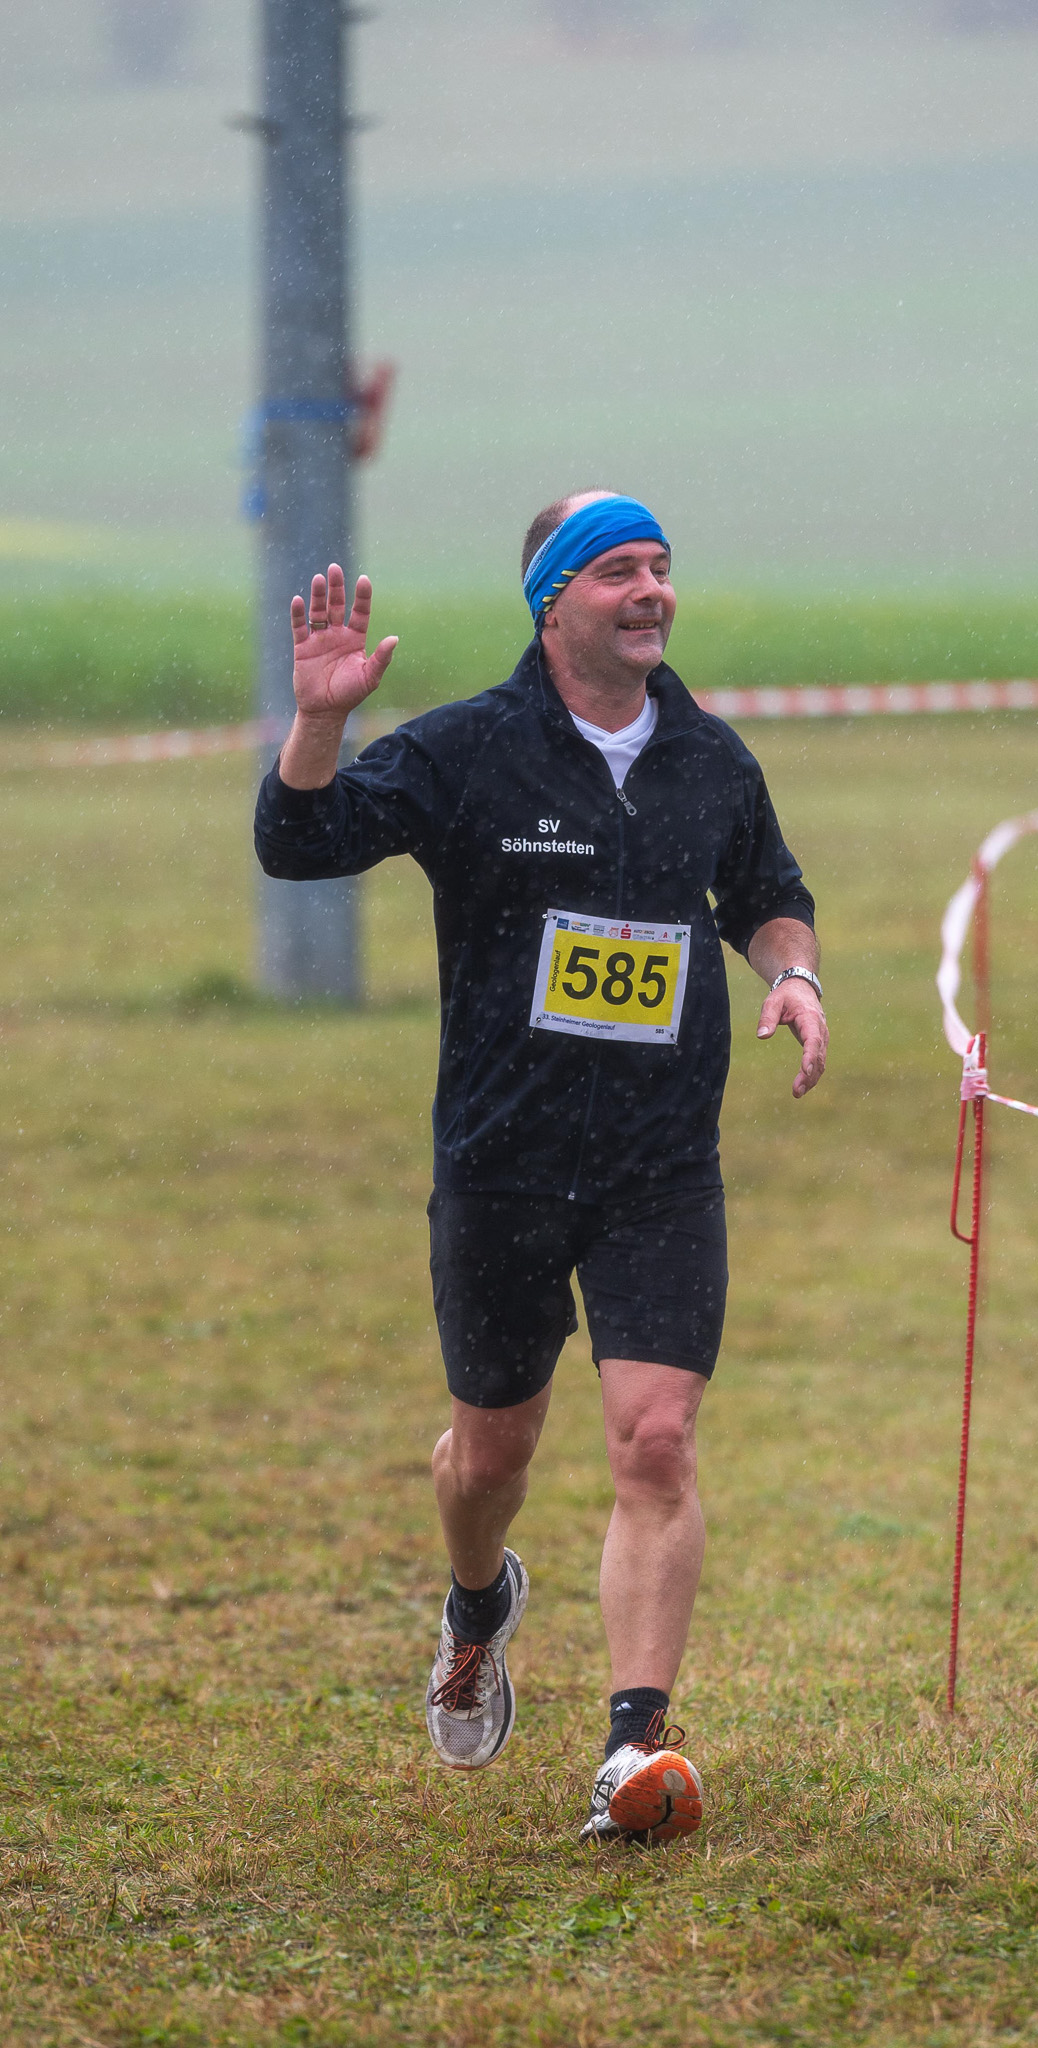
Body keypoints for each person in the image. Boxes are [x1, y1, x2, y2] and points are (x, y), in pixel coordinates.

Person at [254, 491, 826, 1844]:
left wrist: (794, 975)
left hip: (660, 1162)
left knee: (657, 1439)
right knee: (490, 1454)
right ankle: (477, 1603)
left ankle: (635, 1745)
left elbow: (767, 895)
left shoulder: (710, 758)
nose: (651, 590)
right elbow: (300, 845)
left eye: (662, 567)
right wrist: (322, 724)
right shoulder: (469, 752)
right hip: (502, 1161)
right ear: (552, 598)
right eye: (619, 569)